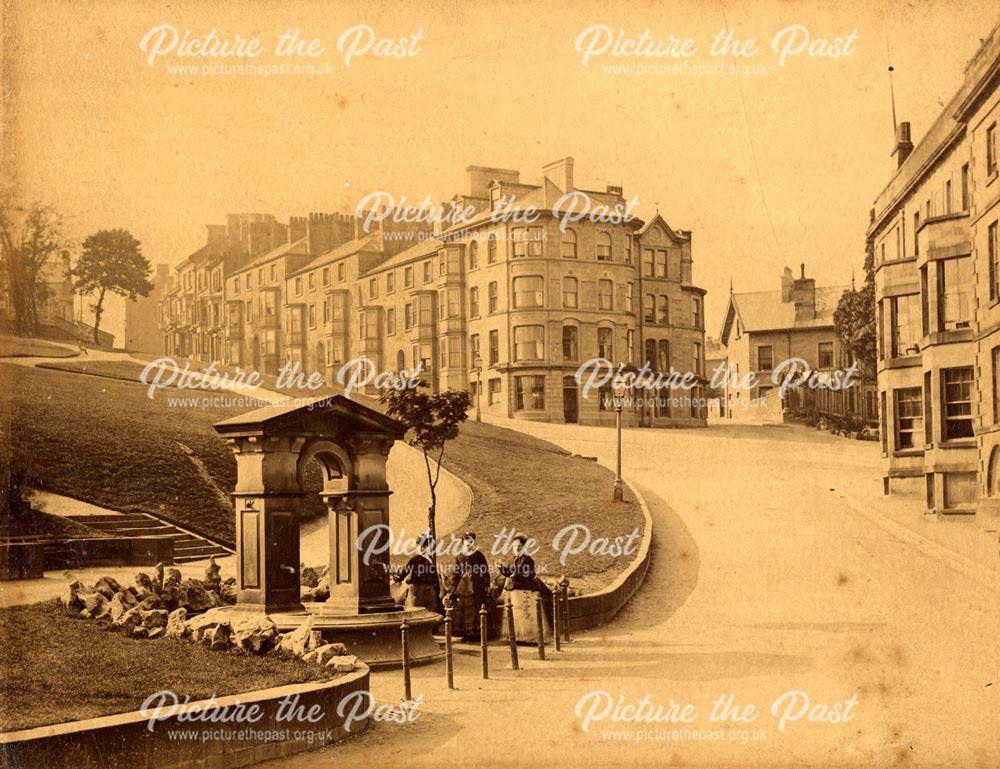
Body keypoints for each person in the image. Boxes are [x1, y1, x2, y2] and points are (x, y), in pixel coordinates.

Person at [498, 532, 551, 644]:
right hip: (513, 590)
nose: (516, 548)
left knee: (525, 614)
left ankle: (529, 638)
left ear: (524, 547)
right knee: (516, 614)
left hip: (524, 590)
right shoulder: (512, 559)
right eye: (514, 546)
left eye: (519, 546)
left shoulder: (527, 560)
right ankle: (517, 637)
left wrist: (516, 575)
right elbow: (509, 573)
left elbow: (530, 574)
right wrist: (501, 568)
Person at [449, 531, 491, 640]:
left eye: (471, 542)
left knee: (475, 609)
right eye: (467, 542)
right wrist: (453, 588)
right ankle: (463, 633)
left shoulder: (479, 555)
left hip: (476, 587)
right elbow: (455, 573)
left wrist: (486, 583)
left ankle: (474, 633)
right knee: (463, 609)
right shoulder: (459, 557)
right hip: (462, 588)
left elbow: (485, 571)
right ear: (463, 543)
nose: (469, 544)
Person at [395, 534, 440, 613]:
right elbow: (405, 571)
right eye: (421, 545)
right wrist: (399, 578)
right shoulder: (414, 559)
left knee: (432, 612)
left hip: (429, 589)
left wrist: (436, 589)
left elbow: (435, 575)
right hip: (417, 589)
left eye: (425, 545)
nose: (423, 547)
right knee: (416, 611)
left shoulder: (430, 559)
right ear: (417, 546)